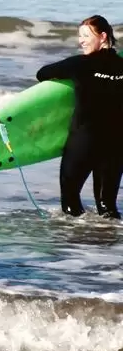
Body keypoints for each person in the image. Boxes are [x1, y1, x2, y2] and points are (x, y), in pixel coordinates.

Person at [36, 14, 123, 219]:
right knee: (107, 206)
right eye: (79, 36)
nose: (81, 40)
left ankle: (74, 244)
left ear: (102, 36)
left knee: (70, 201)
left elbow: (42, 73)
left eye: (86, 35)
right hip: (117, 143)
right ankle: (110, 243)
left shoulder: (80, 64)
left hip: (85, 140)